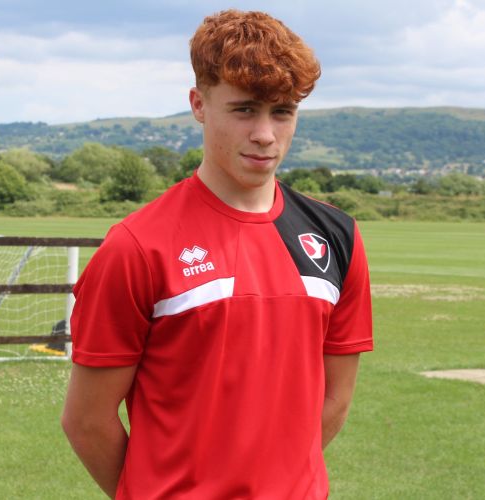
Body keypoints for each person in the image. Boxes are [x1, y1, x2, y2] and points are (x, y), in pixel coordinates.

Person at [61, 9, 373, 499]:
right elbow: (87, 421)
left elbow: (335, 398)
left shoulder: (337, 236)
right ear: (199, 104)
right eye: (245, 110)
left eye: (282, 112)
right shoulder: (137, 246)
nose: (265, 134)